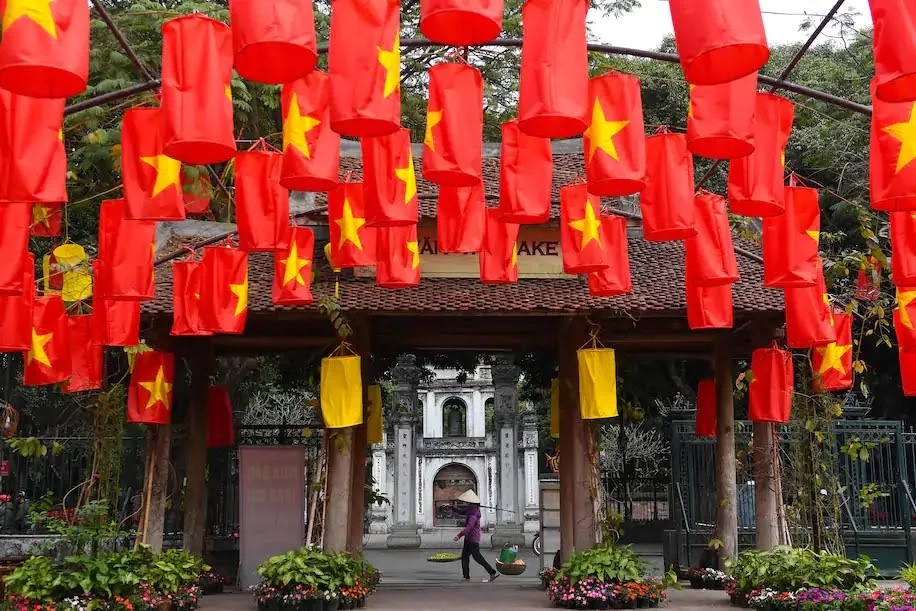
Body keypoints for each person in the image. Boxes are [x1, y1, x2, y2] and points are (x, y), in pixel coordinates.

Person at [453, 490, 498, 583]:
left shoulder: (473, 514)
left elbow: (469, 527)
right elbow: (461, 511)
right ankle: (466, 576)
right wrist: (451, 508)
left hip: (473, 538)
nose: (466, 504)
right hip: (468, 538)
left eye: (468, 502)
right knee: (465, 557)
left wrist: (459, 535)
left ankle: (491, 571)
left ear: (472, 504)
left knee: (477, 557)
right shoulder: (470, 510)